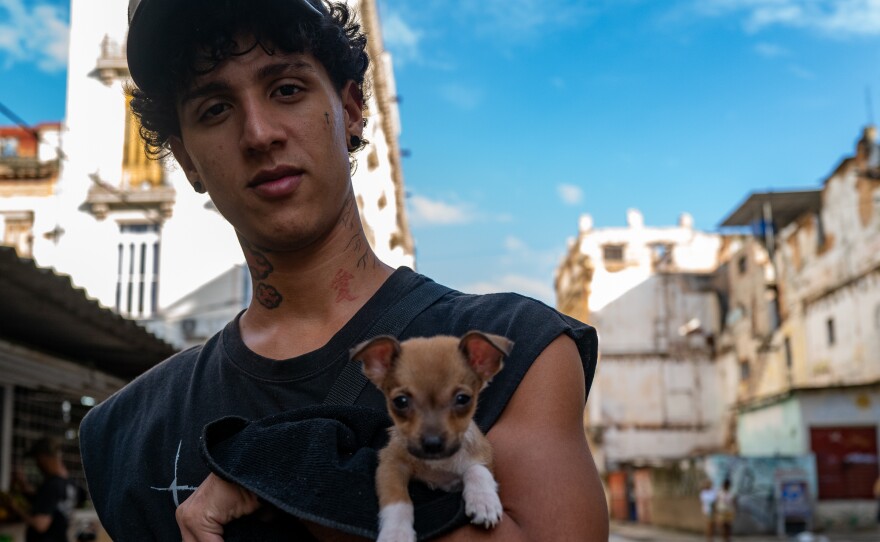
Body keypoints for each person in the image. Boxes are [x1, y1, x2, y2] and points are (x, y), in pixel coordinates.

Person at [78, 0, 609, 540]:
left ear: (352, 109)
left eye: (286, 89)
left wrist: (287, 469)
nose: (258, 133)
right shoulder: (127, 431)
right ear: (187, 159)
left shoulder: (515, 351)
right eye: (215, 109)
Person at [5, 438, 84, 542]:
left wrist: (16, 509)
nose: (37, 465)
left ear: (43, 458)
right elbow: (49, 504)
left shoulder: (51, 486)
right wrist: (23, 485)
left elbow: (40, 525)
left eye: (37, 460)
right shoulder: (71, 483)